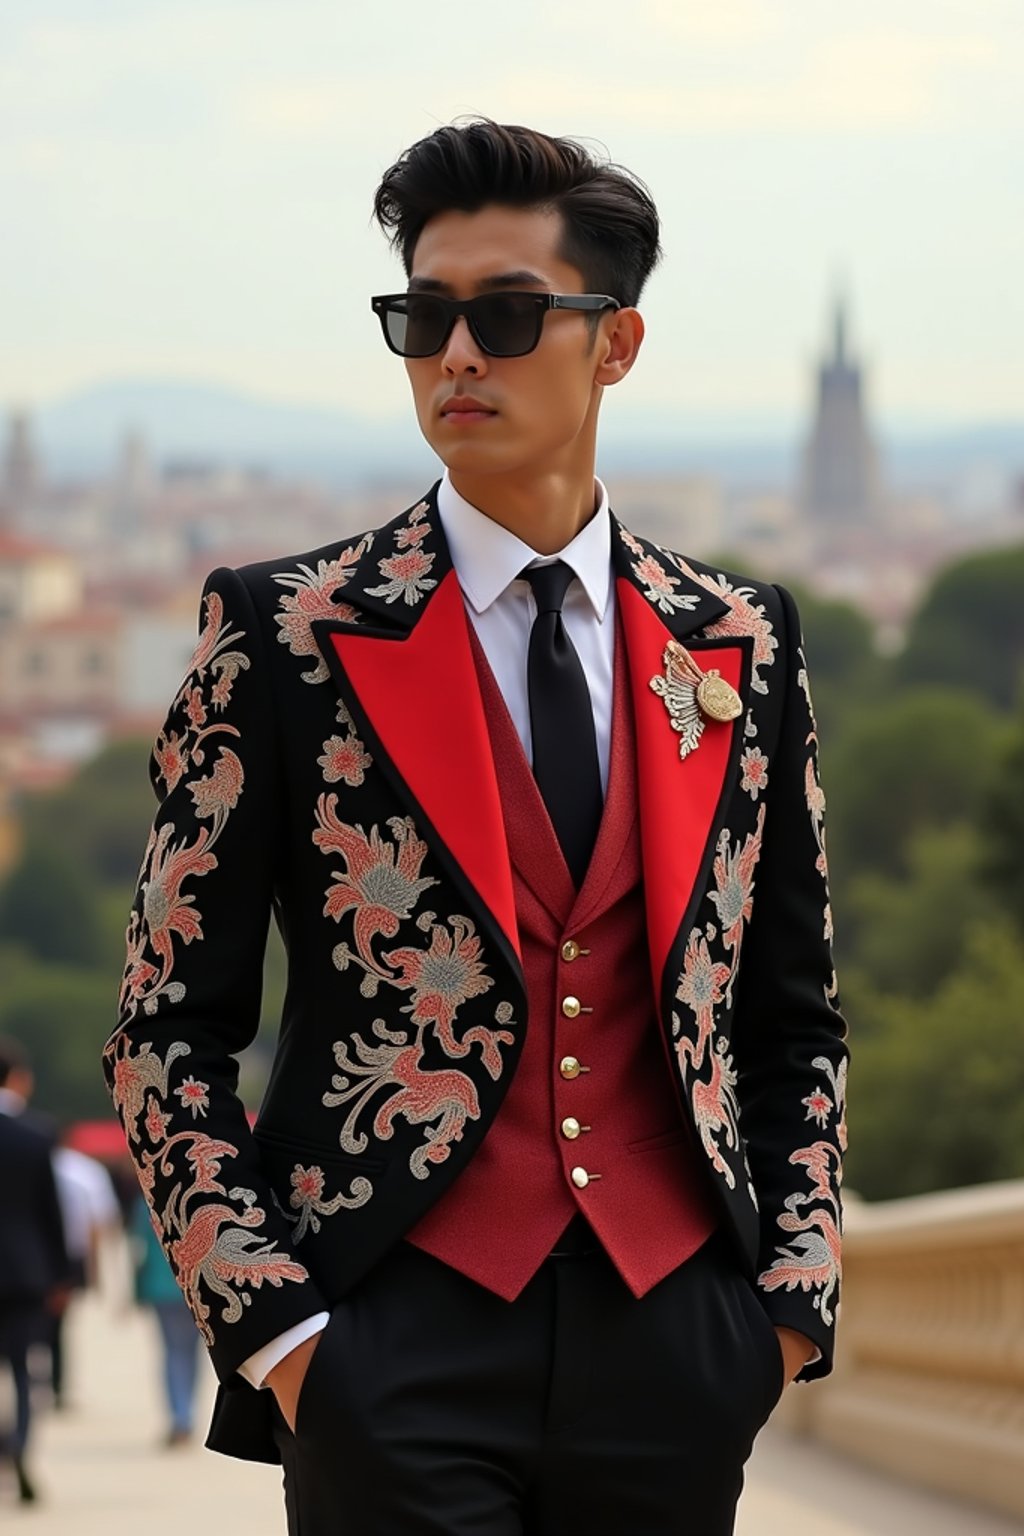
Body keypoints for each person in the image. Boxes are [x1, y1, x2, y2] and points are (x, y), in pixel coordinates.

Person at [103, 119, 848, 1535]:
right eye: (423, 317)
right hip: (388, 1344)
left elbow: (791, 1012)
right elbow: (164, 1027)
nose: (456, 356)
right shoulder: (283, 633)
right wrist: (282, 1336)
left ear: (614, 344)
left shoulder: (742, 641)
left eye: (505, 316)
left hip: (677, 1346)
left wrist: (784, 1309)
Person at [0, 1038, 70, 1505]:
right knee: (25, 1369)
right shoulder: (37, 1133)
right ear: (18, 1078)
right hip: (25, 1271)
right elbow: (51, 1212)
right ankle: (20, 1444)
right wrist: (62, 1275)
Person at [50, 1134, 121, 1408]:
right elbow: (100, 1223)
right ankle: (57, 1383)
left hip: (37, 1254)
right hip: (72, 1256)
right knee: (61, 1324)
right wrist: (97, 1270)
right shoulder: (85, 1171)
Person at [130, 1194, 202, 1446]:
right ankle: (185, 1414)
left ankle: (180, 1416)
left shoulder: (147, 1201)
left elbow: (138, 1250)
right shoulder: (199, 1199)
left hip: (162, 1288)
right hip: (195, 1287)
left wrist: (136, 1290)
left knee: (173, 1351)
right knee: (190, 1353)